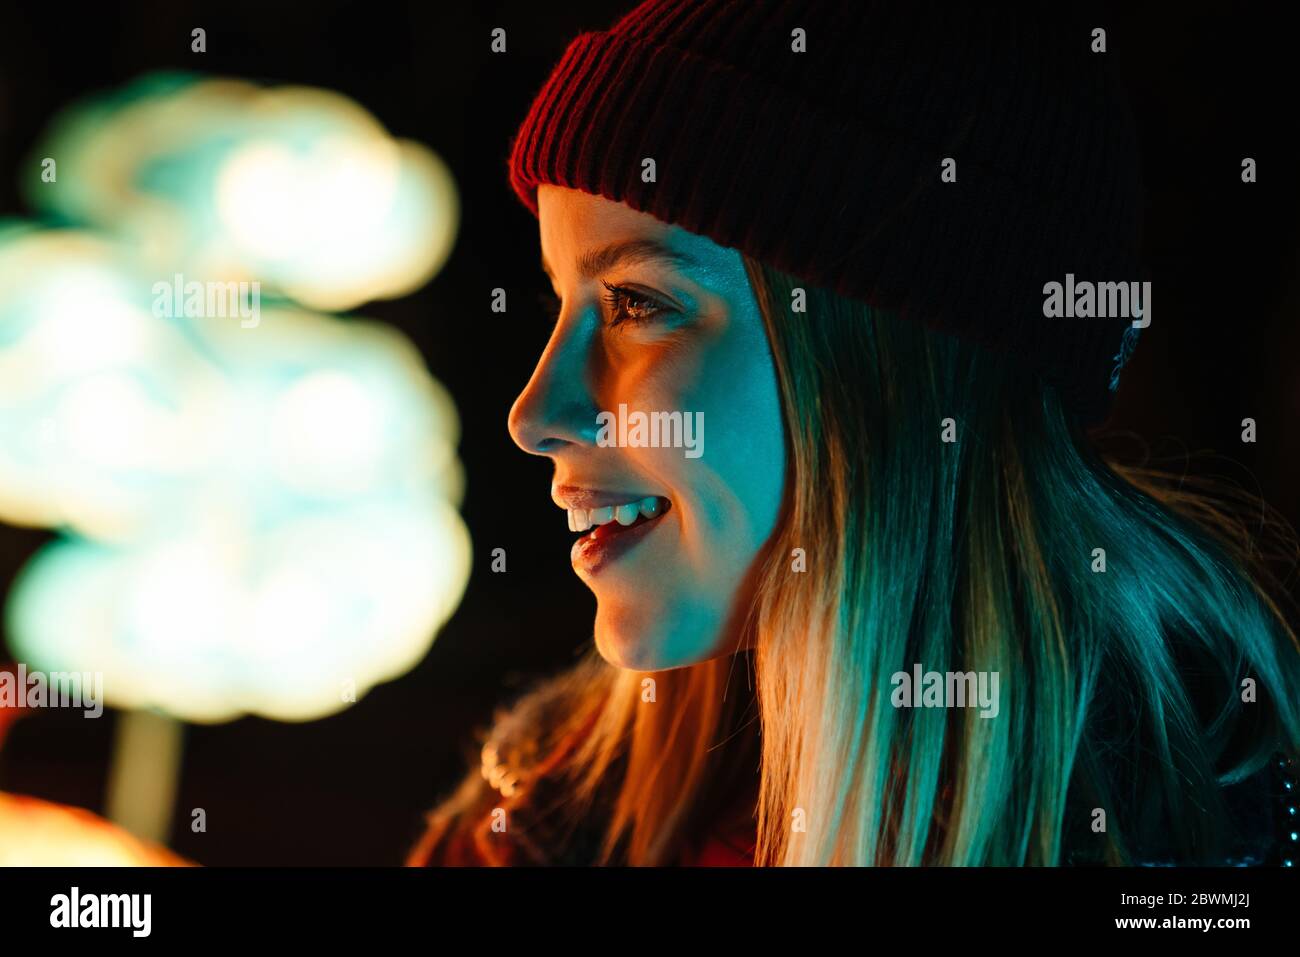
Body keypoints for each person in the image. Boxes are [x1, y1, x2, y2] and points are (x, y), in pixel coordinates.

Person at [410, 0, 1300, 866]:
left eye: (637, 302)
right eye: (556, 299)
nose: (533, 415)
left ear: (895, 367)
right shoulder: (528, 829)